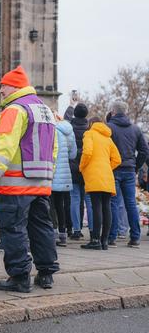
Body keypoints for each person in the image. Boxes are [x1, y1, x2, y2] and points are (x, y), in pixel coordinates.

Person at [0, 66, 59, 293]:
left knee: (13, 229)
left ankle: (19, 277)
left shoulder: (14, 110)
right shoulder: (45, 110)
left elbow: (4, 146)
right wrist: (48, 175)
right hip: (41, 183)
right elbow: (53, 148)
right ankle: (46, 274)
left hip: (16, 184)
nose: (1, 92)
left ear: (14, 86)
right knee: (41, 227)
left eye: (3, 87)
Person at [107, 101, 149, 248]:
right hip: (130, 170)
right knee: (131, 204)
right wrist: (136, 166)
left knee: (113, 202)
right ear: (126, 112)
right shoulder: (135, 129)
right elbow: (144, 151)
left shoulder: (109, 127)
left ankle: (111, 237)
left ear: (113, 112)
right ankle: (135, 238)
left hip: (113, 169)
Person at [79, 117, 121, 250]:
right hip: (107, 175)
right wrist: (107, 166)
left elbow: (87, 152)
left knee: (96, 206)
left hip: (94, 174)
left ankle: (95, 240)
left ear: (91, 124)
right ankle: (105, 241)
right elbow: (117, 159)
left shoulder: (89, 134)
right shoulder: (108, 138)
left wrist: (82, 167)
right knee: (106, 207)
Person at [65, 101, 93, 240]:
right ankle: (93, 230)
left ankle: (76, 229)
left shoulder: (70, 127)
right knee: (88, 199)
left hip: (73, 167)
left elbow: (65, 118)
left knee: (74, 199)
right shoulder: (89, 129)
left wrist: (71, 105)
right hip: (87, 167)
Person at [51, 116, 77, 247]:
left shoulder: (51, 130)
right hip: (65, 173)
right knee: (60, 205)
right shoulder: (69, 132)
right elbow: (73, 155)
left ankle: (53, 234)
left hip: (53, 171)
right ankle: (63, 234)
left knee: (51, 205)